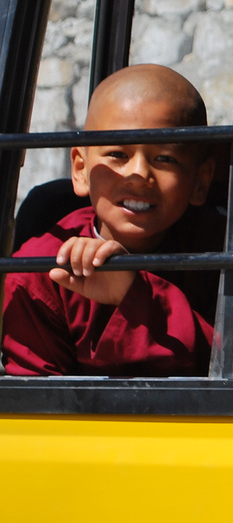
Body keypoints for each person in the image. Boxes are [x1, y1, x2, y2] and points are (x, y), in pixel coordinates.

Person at [4, 65, 222, 376]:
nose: (138, 174)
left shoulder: (227, 254)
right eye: (118, 154)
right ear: (81, 169)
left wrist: (135, 294)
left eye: (165, 158)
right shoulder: (42, 270)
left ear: (200, 181)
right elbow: (38, 403)